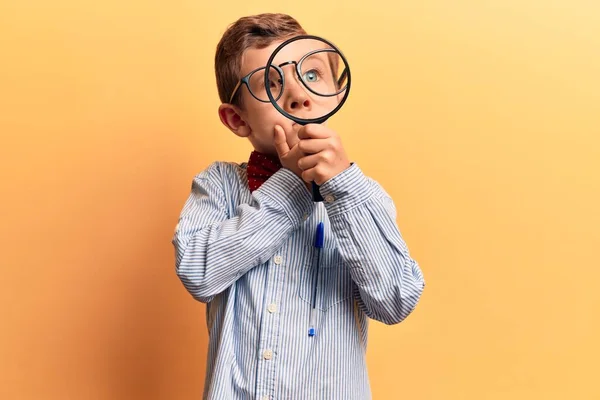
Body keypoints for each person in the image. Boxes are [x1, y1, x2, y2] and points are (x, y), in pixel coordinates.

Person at [172, 12, 425, 400]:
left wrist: (342, 187)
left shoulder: (364, 197)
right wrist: (291, 184)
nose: (297, 94)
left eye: (312, 75)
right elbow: (198, 271)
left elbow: (395, 300)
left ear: (336, 93)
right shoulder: (219, 185)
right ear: (237, 120)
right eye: (270, 84)